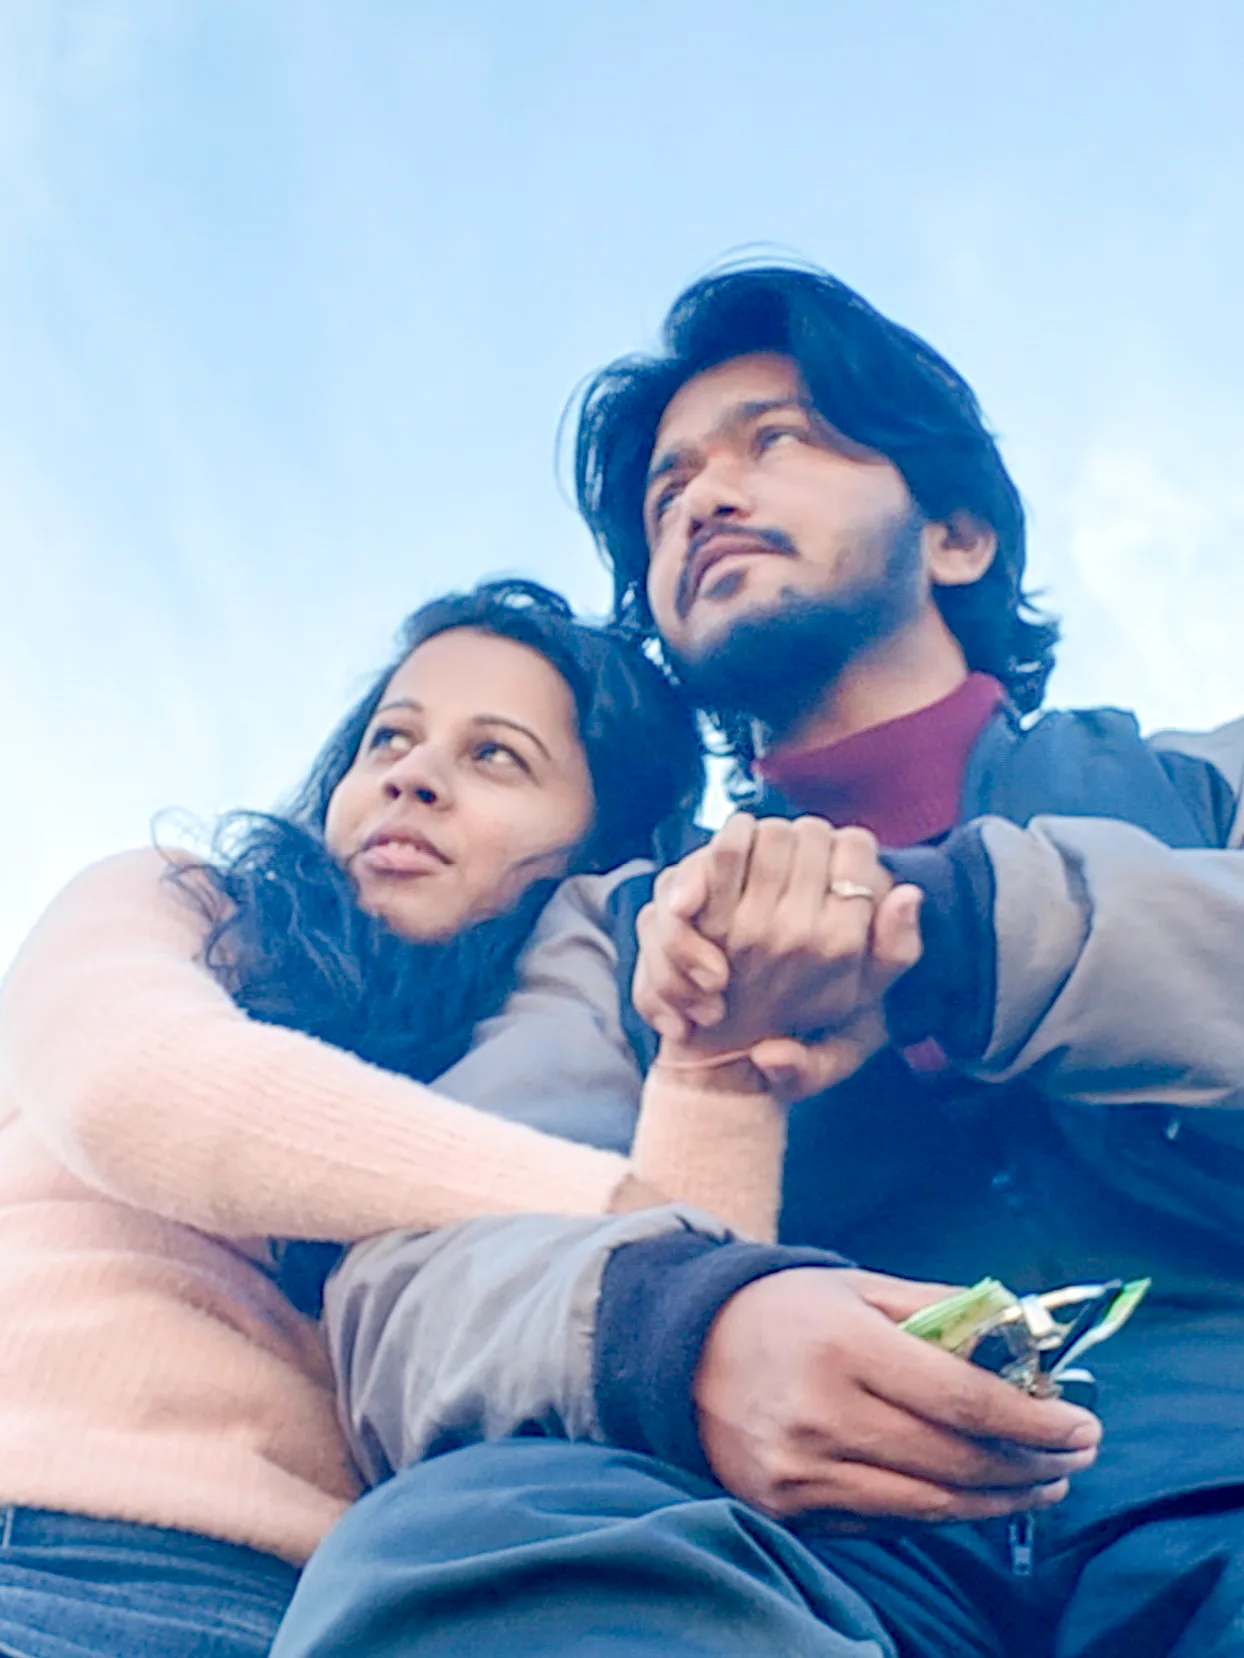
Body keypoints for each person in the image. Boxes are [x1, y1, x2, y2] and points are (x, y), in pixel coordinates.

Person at [269, 270, 1244, 1658]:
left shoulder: (1195, 783)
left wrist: (947, 931)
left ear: (957, 534)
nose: (704, 497)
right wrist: (679, 1336)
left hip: (1222, 1466)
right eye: (668, 492)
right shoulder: (613, 927)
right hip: (836, 1556)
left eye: (774, 439)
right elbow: (427, 1250)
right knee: (468, 1537)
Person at [0, 574, 895, 1658]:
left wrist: (712, 1059)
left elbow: (669, 1377)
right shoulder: (189, 902)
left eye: (494, 756)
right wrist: (619, 1213)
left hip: (315, 1607)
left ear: (592, 837)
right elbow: (132, 1085)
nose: (412, 778)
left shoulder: (540, 1056)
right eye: (390, 739)